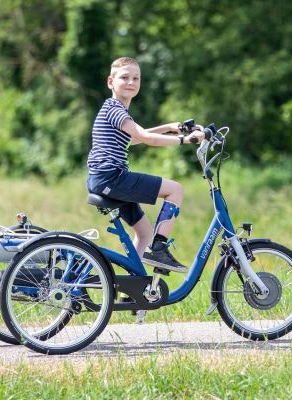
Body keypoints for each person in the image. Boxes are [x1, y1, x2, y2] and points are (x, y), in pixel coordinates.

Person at [86, 56, 204, 273]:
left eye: (136, 78)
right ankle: (159, 249)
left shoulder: (115, 110)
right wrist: (185, 140)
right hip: (111, 177)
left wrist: (168, 127)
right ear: (110, 82)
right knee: (175, 190)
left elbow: (134, 138)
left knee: (143, 233)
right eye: (125, 77)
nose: (131, 82)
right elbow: (146, 139)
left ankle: (133, 289)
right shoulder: (115, 109)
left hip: (104, 179)